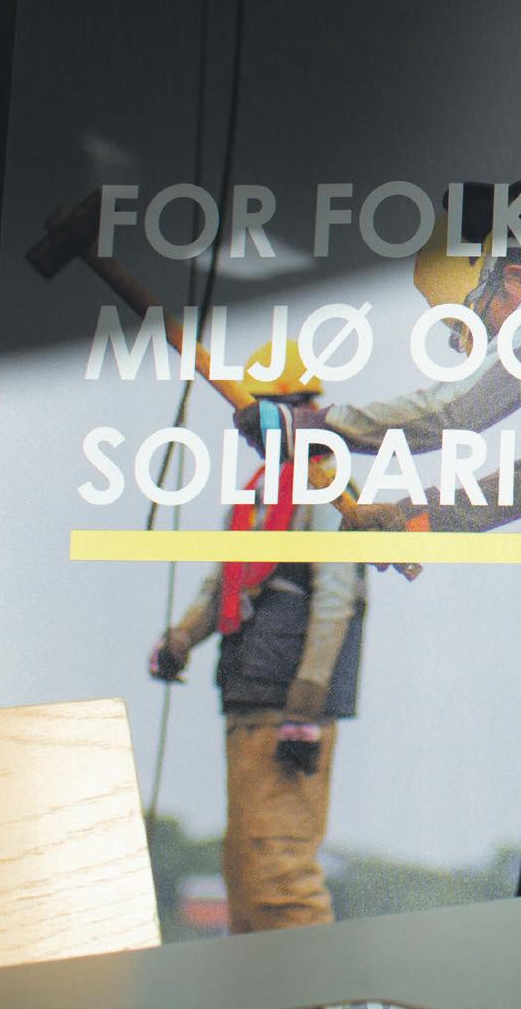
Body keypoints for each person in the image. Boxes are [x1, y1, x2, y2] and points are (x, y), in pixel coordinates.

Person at [251, 183, 521, 534]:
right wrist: (416, 519)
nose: (492, 343)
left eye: (481, 326)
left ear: (516, 279)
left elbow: (453, 413)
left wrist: (313, 427)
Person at [149, 342, 365, 933]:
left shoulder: (324, 487)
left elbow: (337, 598)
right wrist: (180, 639)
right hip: (249, 697)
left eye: (260, 413)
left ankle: (312, 984)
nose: (249, 428)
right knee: (246, 870)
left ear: (297, 410)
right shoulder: (261, 493)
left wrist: (307, 701)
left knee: (281, 875)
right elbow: (226, 581)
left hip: (288, 711)